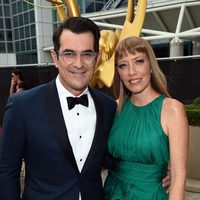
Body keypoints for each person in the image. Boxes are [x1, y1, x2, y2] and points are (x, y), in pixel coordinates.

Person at [0, 17, 117, 200]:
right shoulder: (22, 106)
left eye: (87, 54)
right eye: (69, 54)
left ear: (97, 58)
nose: (78, 64)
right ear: (55, 58)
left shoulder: (108, 107)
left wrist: (163, 167)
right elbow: (7, 171)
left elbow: (114, 159)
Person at [104, 36, 189, 199]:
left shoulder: (172, 110)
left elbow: (179, 177)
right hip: (112, 193)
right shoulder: (114, 108)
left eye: (139, 61)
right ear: (118, 72)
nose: (131, 72)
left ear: (151, 65)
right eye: (123, 65)